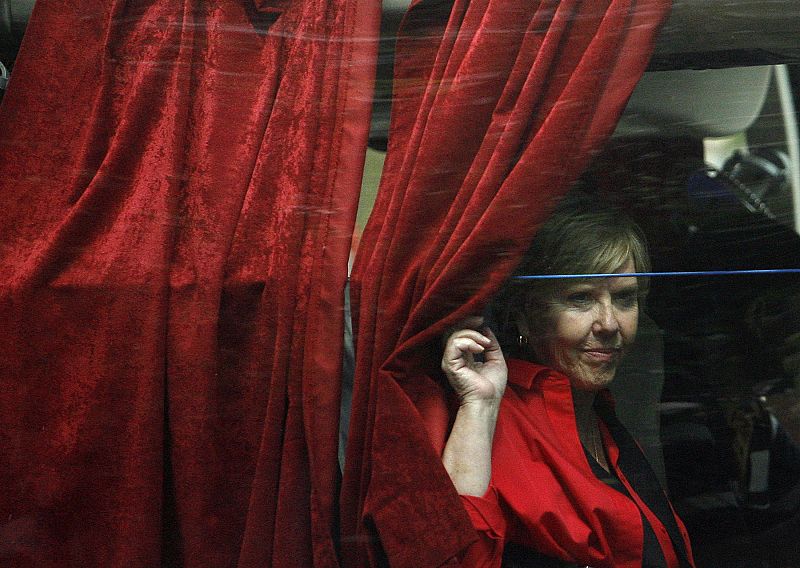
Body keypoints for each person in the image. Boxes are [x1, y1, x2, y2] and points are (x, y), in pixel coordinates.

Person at [441, 198, 696, 568]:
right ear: (528, 315)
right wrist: (478, 406)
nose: (609, 324)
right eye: (581, 299)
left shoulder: (604, 418)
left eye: (625, 299)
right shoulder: (498, 420)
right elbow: (459, 556)